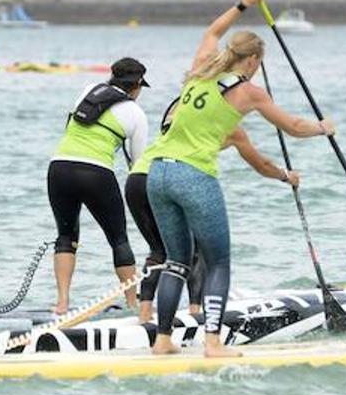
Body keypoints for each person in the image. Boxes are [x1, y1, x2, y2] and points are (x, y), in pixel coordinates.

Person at [148, 0, 334, 358]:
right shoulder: (249, 92)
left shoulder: (202, 66)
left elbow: (212, 32)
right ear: (252, 62)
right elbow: (294, 127)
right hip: (193, 176)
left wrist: (243, 4)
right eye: (258, 64)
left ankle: (162, 340)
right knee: (218, 261)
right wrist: (322, 128)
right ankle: (213, 344)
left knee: (176, 261)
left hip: (157, 174)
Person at [128, 124, 299, 326]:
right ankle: (195, 314)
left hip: (138, 179)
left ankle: (144, 314)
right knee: (196, 250)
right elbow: (262, 164)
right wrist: (286, 176)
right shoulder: (230, 127)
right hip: (178, 176)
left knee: (159, 249)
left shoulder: (180, 116)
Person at [48, 57, 150, 314]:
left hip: (59, 167)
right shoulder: (136, 113)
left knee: (66, 236)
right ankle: (131, 303)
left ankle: (62, 303)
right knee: (118, 239)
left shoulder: (88, 90)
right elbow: (138, 165)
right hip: (96, 173)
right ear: (137, 85)